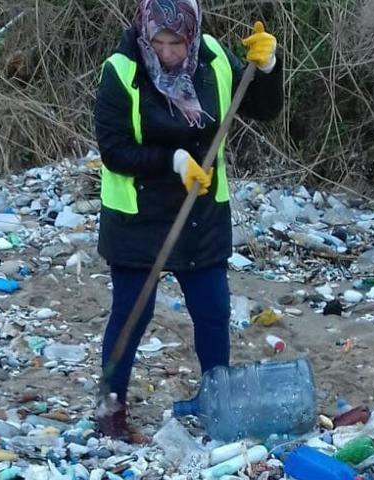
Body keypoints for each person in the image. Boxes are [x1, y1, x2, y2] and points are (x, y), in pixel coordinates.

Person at [93, 0, 283, 442]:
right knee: (131, 314)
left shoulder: (213, 57)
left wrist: (268, 67)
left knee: (212, 312)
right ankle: (109, 411)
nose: (166, 52)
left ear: (192, 34)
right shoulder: (121, 70)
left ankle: (218, 401)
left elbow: (263, 108)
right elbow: (114, 149)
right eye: (157, 42)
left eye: (175, 43)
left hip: (201, 213)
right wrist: (174, 161)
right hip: (138, 216)